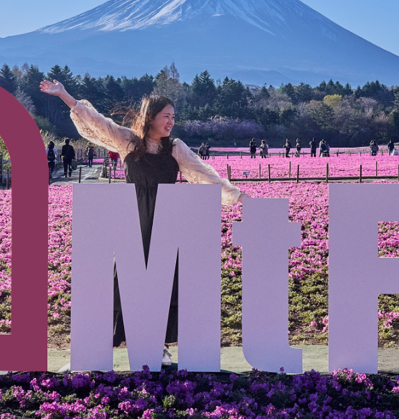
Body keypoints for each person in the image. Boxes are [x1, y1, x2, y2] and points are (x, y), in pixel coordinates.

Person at [41, 79, 248, 368]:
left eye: (174, 117)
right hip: (133, 220)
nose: (171, 122)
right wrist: (64, 95)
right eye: (167, 116)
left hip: (166, 222)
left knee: (166, 283)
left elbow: (205, 175)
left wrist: (239, 197)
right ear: (151, 117)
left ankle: (160, 347)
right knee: (121, 281)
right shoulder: (128, 141)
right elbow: (96, 122)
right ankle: (97, 347)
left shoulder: (175, 148)